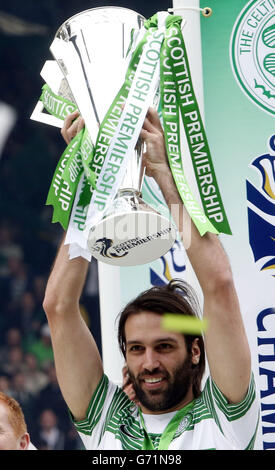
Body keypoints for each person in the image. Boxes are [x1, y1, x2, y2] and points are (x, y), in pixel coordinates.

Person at [43, 109, 259, 450]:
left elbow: (218, 284)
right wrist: (88, 191)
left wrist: (163, 176)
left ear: (195, 351)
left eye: (164, 346)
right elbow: (58, 307)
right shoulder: (107, 421)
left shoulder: (225, 417)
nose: (149, 363)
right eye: (136, 349)